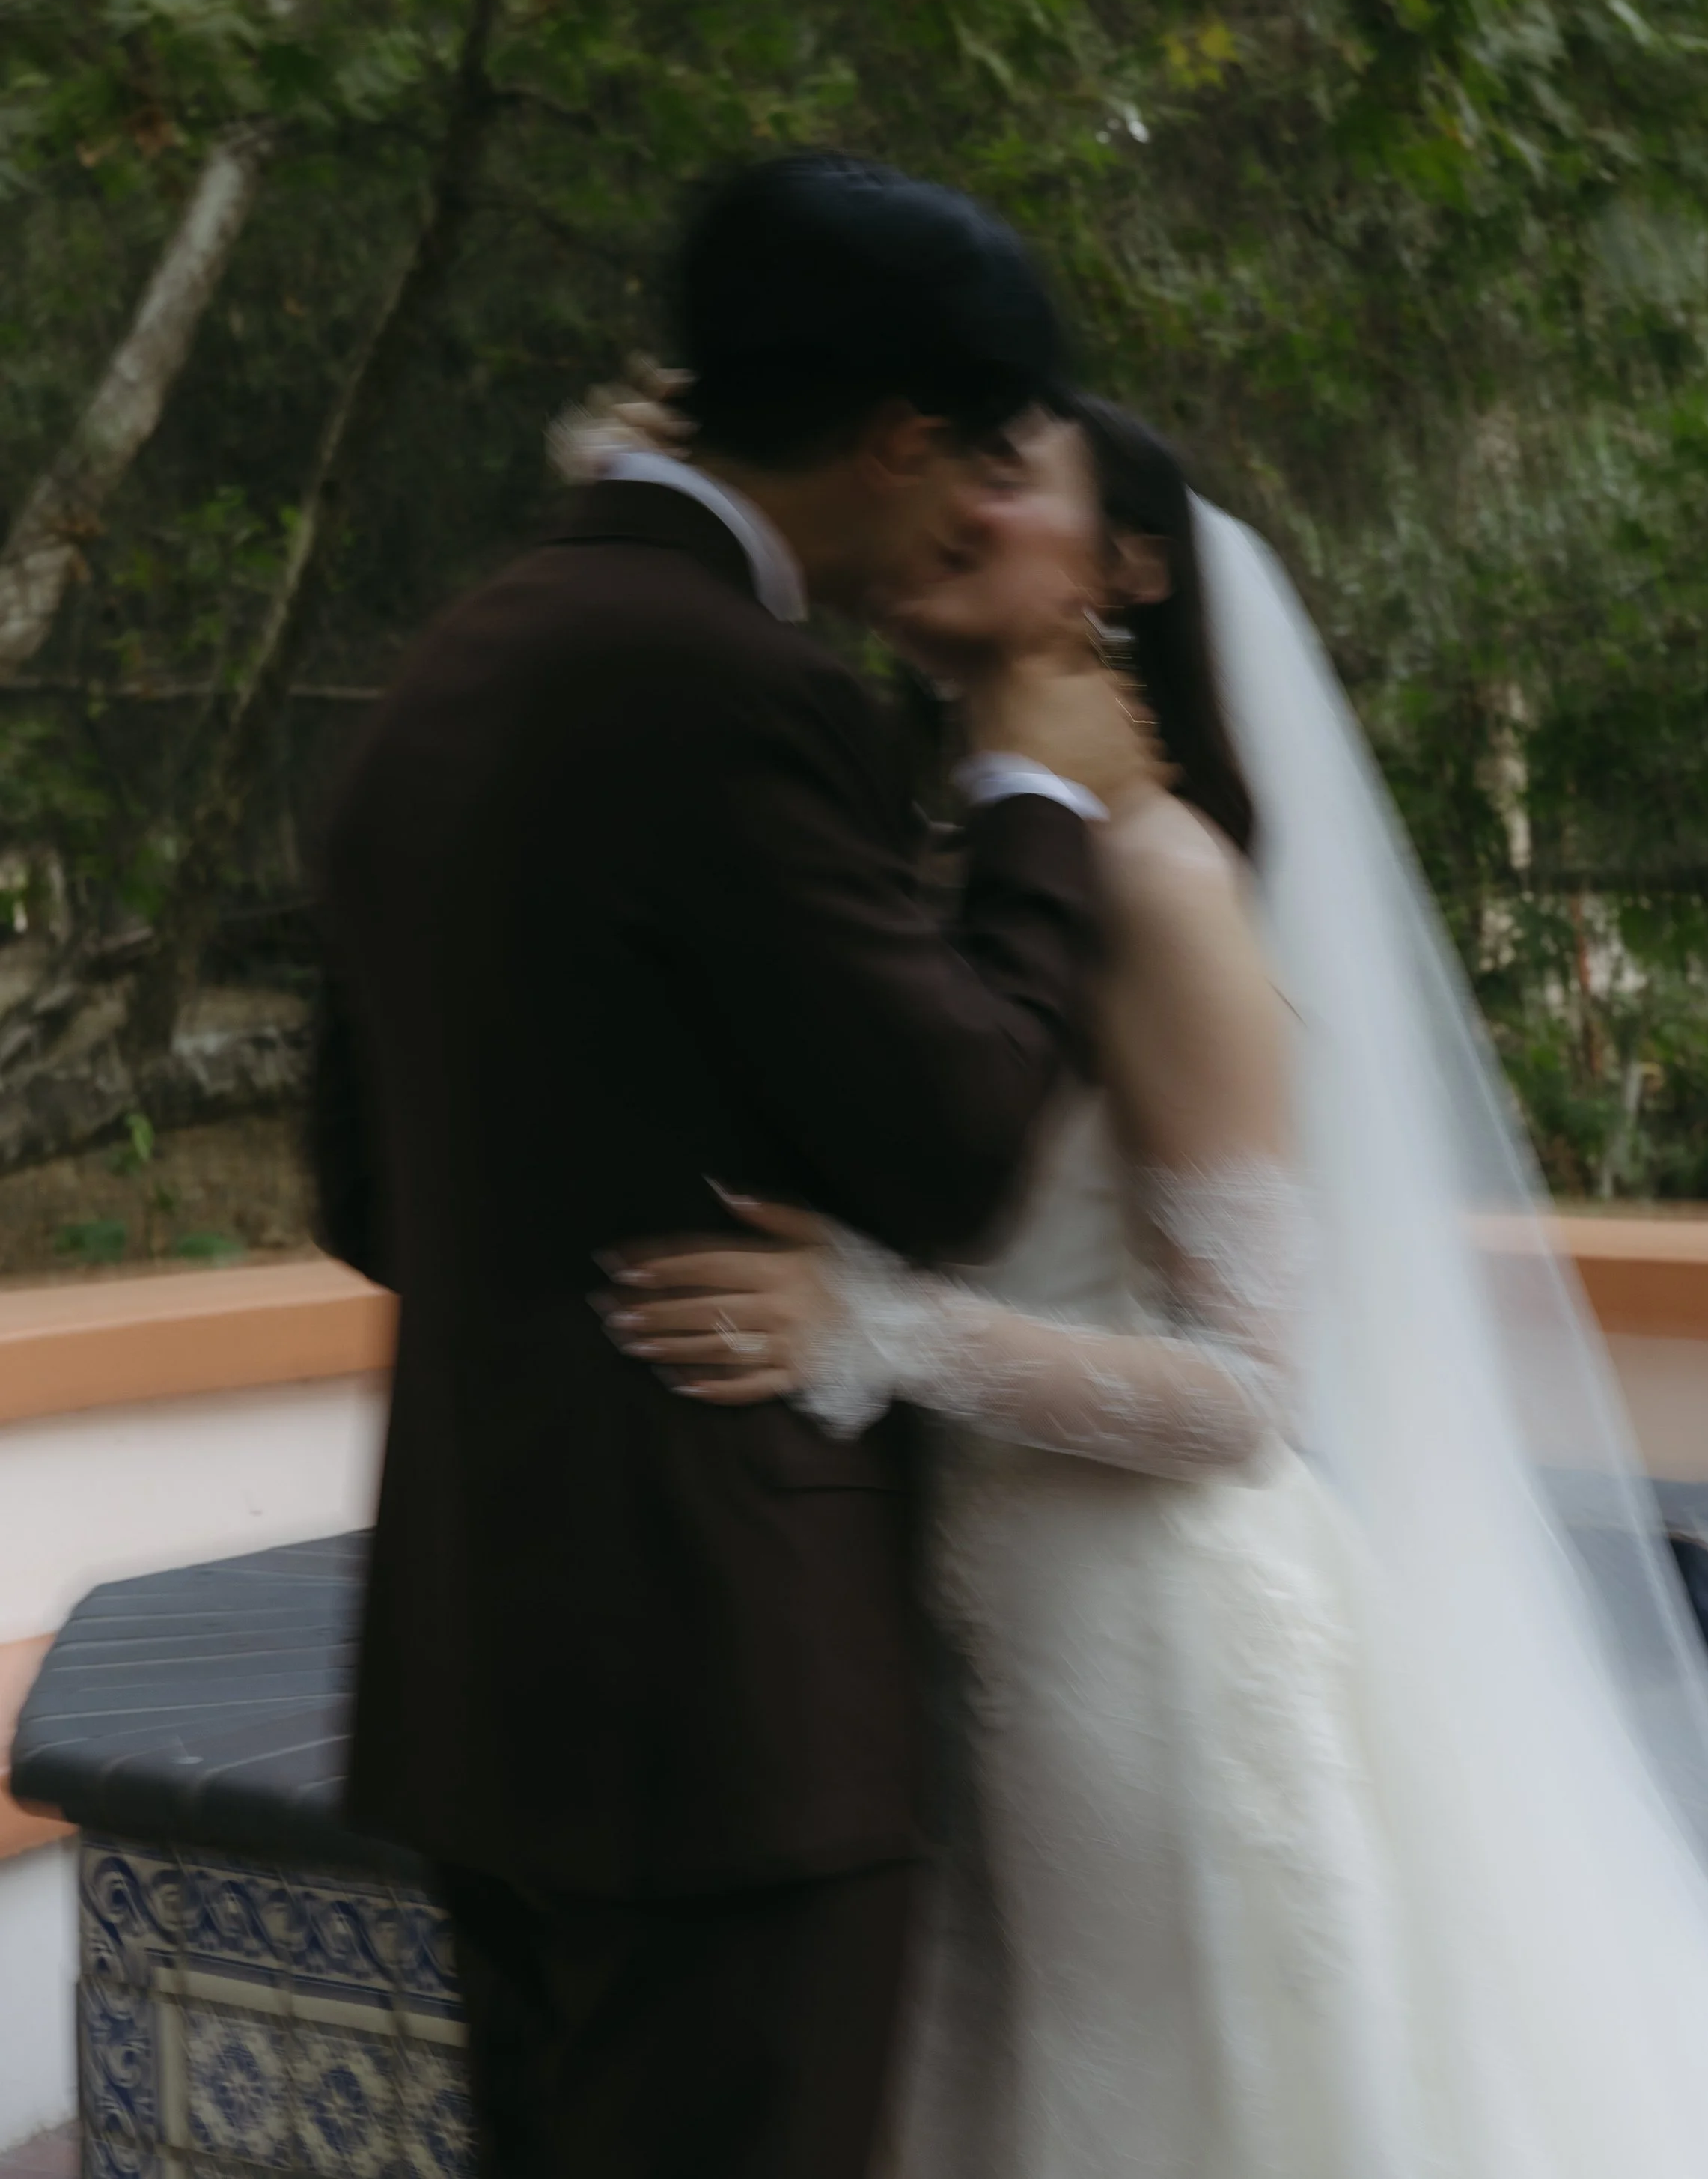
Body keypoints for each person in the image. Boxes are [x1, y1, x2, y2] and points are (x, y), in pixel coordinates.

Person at [606, 397, 1708, 2177]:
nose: (942, 494)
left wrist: (876, 1328)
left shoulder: (1162, 881)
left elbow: (1246, 1390)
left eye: (1000, 467)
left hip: (1149, 1653)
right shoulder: (936, 864)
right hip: (955, 1636)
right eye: (922, 455)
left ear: (1127, 567)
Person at [307, 156, 1162, 2179]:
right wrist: (1037, 803)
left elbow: (363, 1185)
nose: (972, 509)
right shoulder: (728, 687)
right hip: (720, 1695)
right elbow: (954, 1140)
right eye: (964, 458)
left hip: (482, 1662)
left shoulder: (465, 652)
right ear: (891, 435)